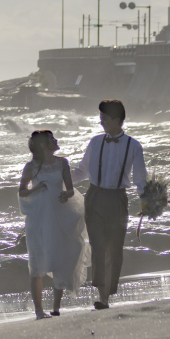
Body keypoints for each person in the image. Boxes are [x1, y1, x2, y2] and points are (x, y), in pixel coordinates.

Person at [71, 99, 147, 310]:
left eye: (104, 117)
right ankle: (102, 296)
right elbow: (81, 172)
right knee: (97, 247)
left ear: (116, 119)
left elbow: (140, 178)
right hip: (94, 197)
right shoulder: (95, 142)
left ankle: (107, 296)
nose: (101, 121)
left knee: (114, 249)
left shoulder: (134, 145)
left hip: (118, 199)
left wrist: (147, 202)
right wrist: (56, 180)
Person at [18, 129, 89, 319]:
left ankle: (56, 308)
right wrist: (37, 188)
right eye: (52, 138)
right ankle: (39, 311)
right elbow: (22, 192)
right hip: (38, 220)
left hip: (60, 215)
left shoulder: (62, 163)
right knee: (37, 264)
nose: (56, 140)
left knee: (60, 258)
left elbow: (71, 190)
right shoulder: (31, 167)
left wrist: (67, 194)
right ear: (43, 144)